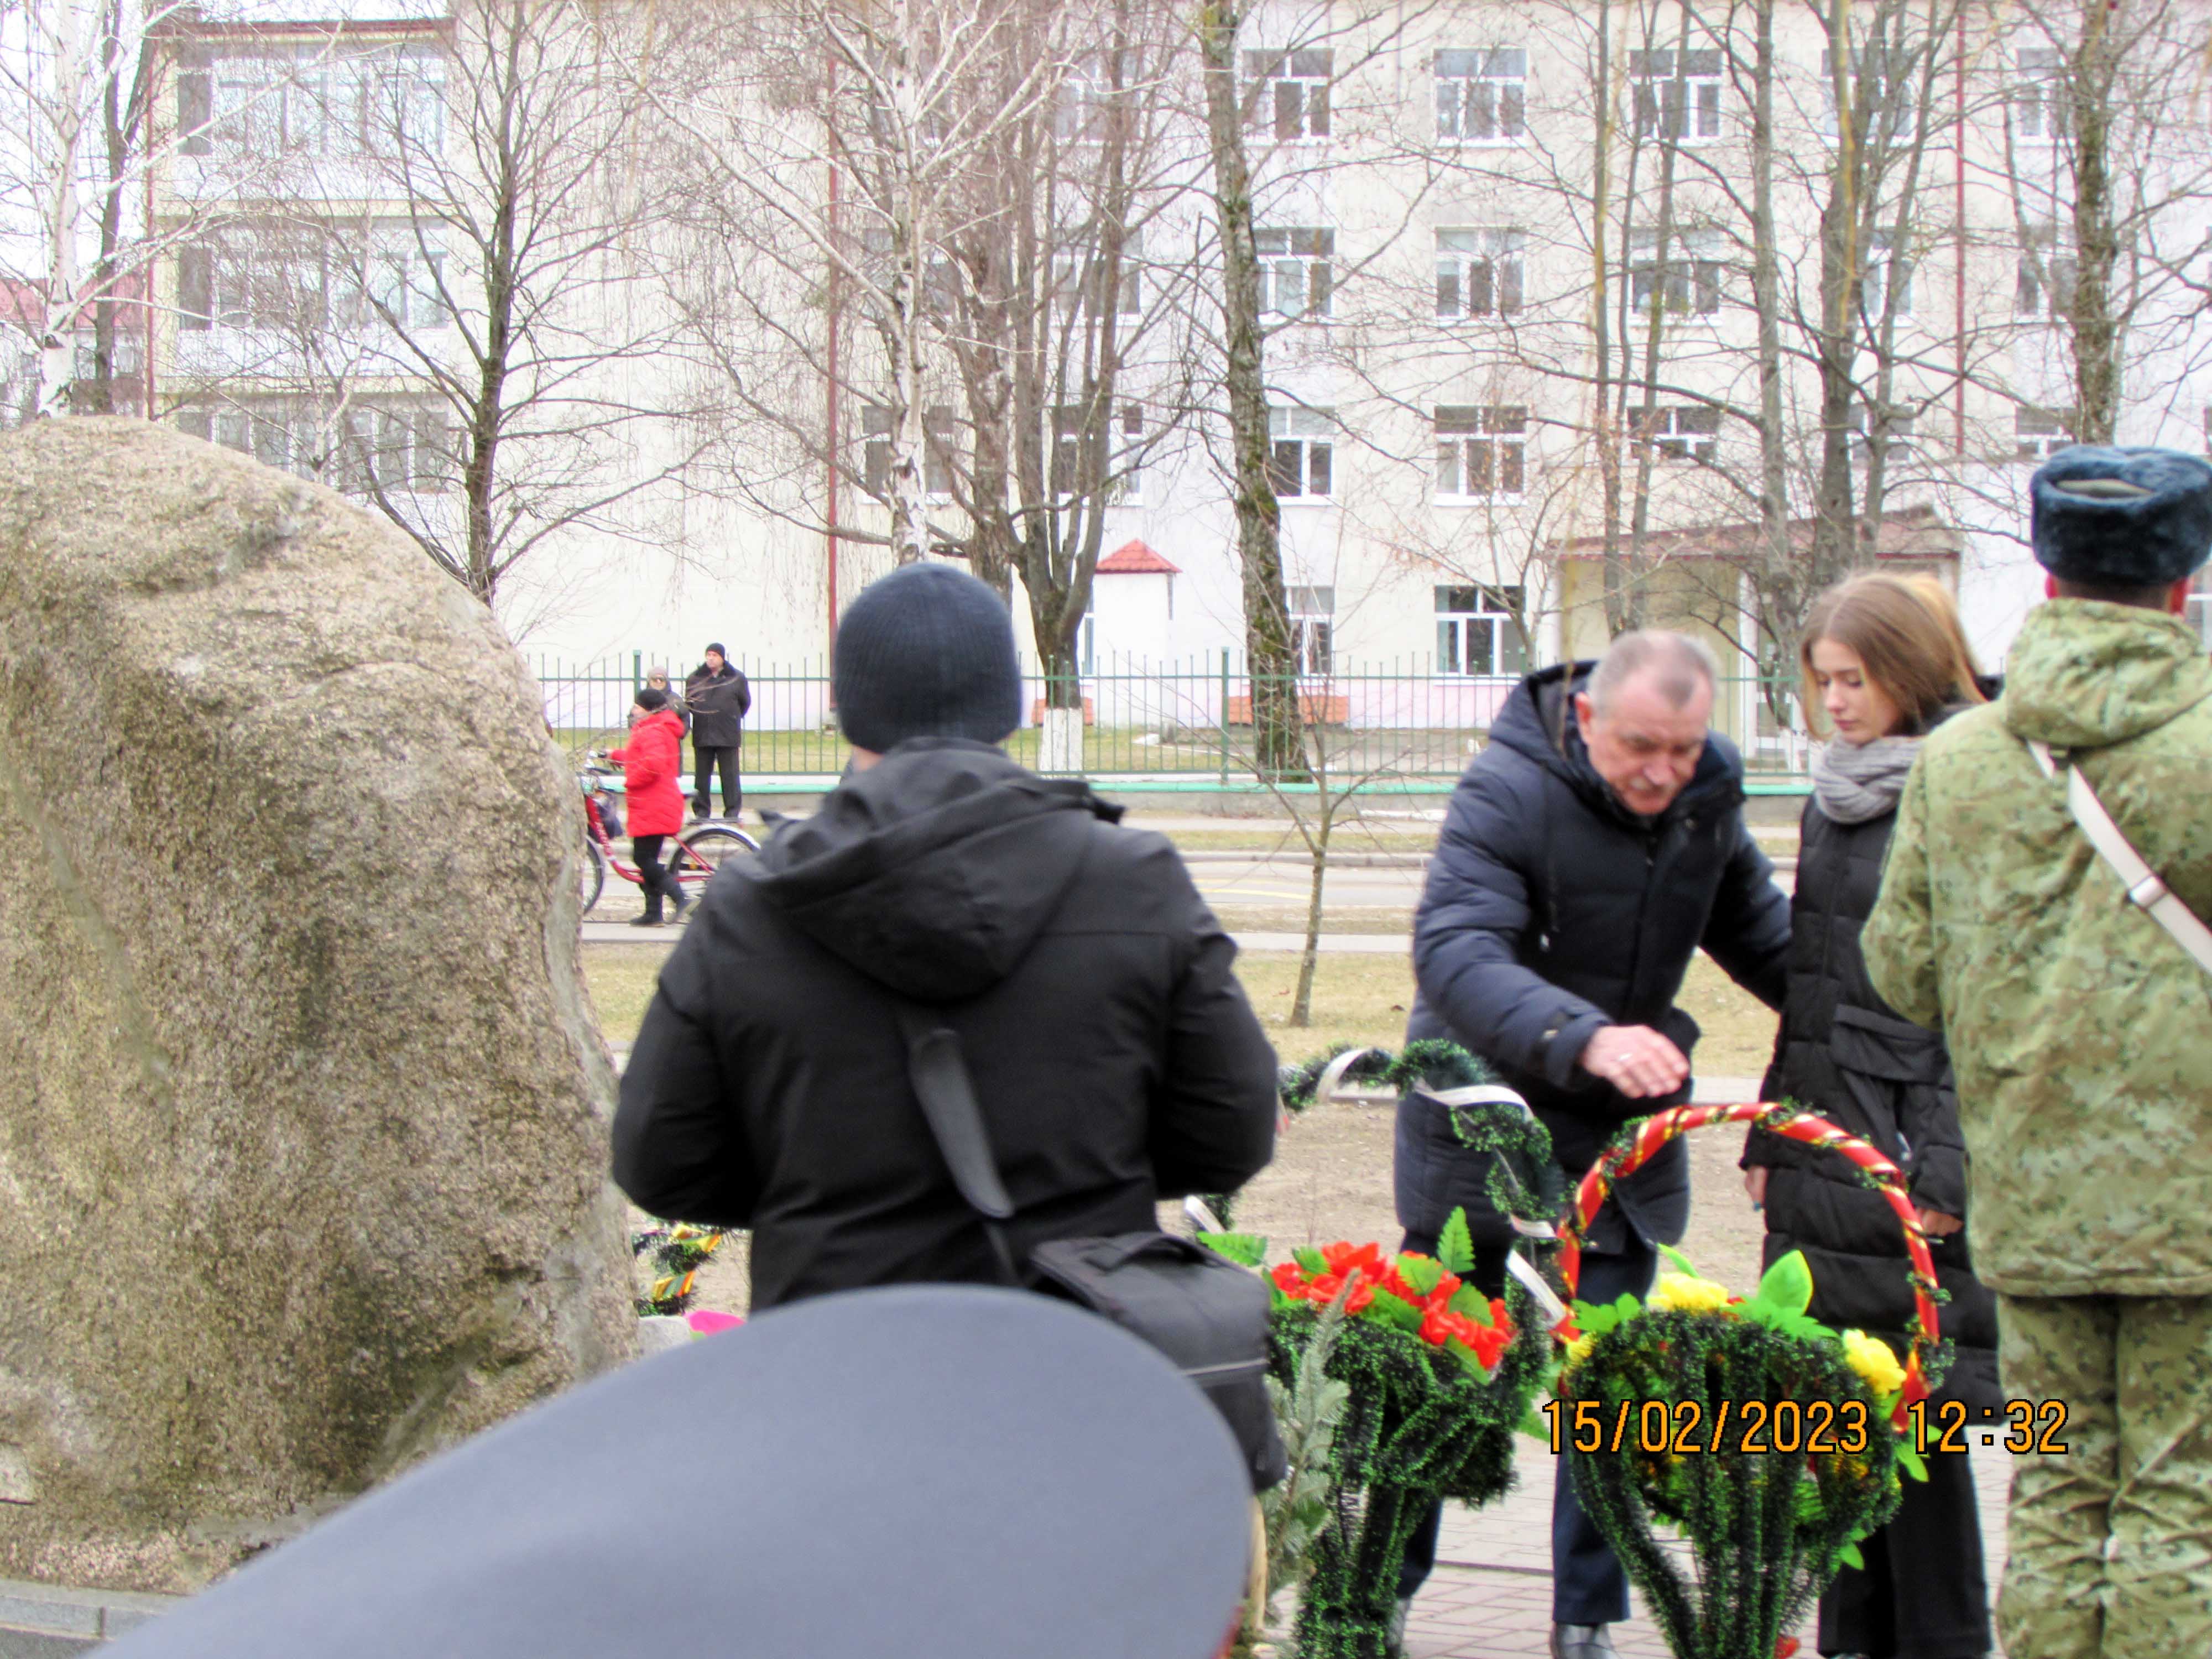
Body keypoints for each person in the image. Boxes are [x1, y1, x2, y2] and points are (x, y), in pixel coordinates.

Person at [611, 562, 1279, 1310]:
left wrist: (810, 1189)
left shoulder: (751, 908)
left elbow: (659, 1159)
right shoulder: (1135, 881)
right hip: (1079, 1360)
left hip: (830, 1364)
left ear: (846, 708)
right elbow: (1232, 1130)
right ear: (1011, 702)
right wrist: (1090, 1174)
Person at [101, 1286, 1258, 1659]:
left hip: (811, 1388)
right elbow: (1217, 1121)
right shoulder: (1137, 882)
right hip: (1057, 1379)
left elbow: (669, 1146)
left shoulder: (763, 901)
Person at [1864, 446, 2212, 1659]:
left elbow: (1898, 972)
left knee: (2055, 1493)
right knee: (2180, 1504)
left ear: (2048, 579)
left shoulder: (1958, 761)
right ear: (2181, 585)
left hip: (2030, 1205)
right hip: (2195, 1212)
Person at [1396, 629, 1792, 1659]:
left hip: (1620, 1136)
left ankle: (1586, 1621)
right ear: (1586, 719)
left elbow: (1763, 935)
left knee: (1606, 1388)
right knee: (1449, 1381)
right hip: (1485, 1122)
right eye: (1640, 748)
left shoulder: (1710, 796)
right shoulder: (1507, 791)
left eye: (1686, 747)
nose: (1665, 773)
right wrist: (1583, 1037)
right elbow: (1454, 949)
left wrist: (1881, 1014)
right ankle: (1378, 1597)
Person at [1742, 572, 1999, 1659]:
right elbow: (1809, 980)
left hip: (1904, 1160)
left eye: (1854, 679)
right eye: (1821, 682)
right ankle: (1853, 1639)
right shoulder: (1836, 791)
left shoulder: (1974, 785)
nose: (1834, 702)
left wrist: (1944, 1171)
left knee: (1920, 1432)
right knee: (1830, 1422)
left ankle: (1942, 1641)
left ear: (1911, 668)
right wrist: (1768, 1131)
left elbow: (1984, 997)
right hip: (1822, 1146)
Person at [609, 686, 688, 928]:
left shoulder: (653, 730)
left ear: (648, 710)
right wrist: (612, 755)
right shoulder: (655, 728)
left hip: (654, 802)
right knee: (648, 858)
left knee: (642, 857)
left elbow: (652, 765)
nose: (633, 711)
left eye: (637, 706)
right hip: (655, 801)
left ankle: (679, 897)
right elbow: (639, 756)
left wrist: (631, 781)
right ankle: (653, 913)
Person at [684, 643, 751, 822]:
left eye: (714, 655)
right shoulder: (695, 678)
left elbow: (745, 703)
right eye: (708, 655)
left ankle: (732, 813)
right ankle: (701, 812)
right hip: (703, 733)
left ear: (722, 657)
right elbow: (689, 703)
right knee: (702, 777)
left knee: (730, 776)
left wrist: (730, 717)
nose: (711, 658)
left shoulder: (736, 678)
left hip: (728, 733)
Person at [643, 664, 689, 738]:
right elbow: (633, 719)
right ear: (649, 681)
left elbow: (685, 719)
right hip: (647, 740)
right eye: (655, 679)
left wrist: (678, 733)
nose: (658, 682)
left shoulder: (676, 699)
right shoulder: (642, 698)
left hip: (671, 741)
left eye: (661, 679)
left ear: (666, 681)